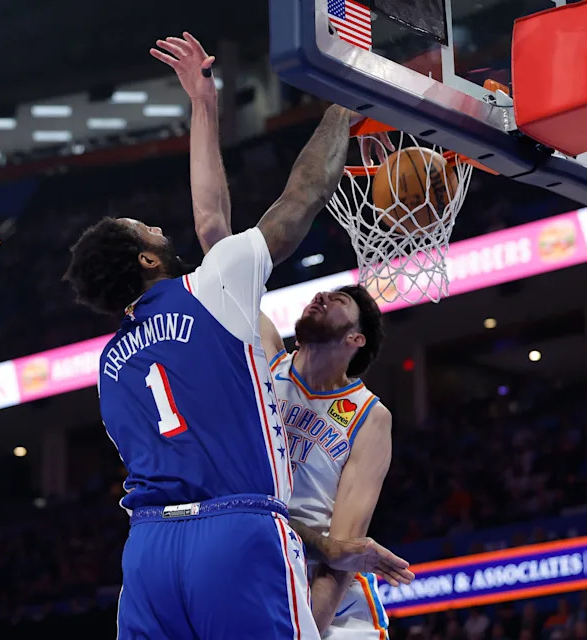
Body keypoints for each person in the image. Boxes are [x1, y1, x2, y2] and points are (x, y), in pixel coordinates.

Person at [65, 32, 411, 640]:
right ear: (147, 261)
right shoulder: (209, 292)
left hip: (147, 554)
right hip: (234, 533)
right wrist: (341, 108)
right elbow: (301, 197)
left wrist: (204, 105)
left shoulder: (110, 365)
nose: (155, 225)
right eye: (144, 228)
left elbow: (210, 222)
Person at [165, 30, 401, 640]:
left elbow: (345, 552)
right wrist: (204, 105)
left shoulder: (368, 417)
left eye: (341, 302)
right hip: (260, 566)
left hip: (332, 611)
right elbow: (216, 237)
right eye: (325, 292)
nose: (322, 296)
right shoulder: (268, 356)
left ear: (356, 342)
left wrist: (310, 629)